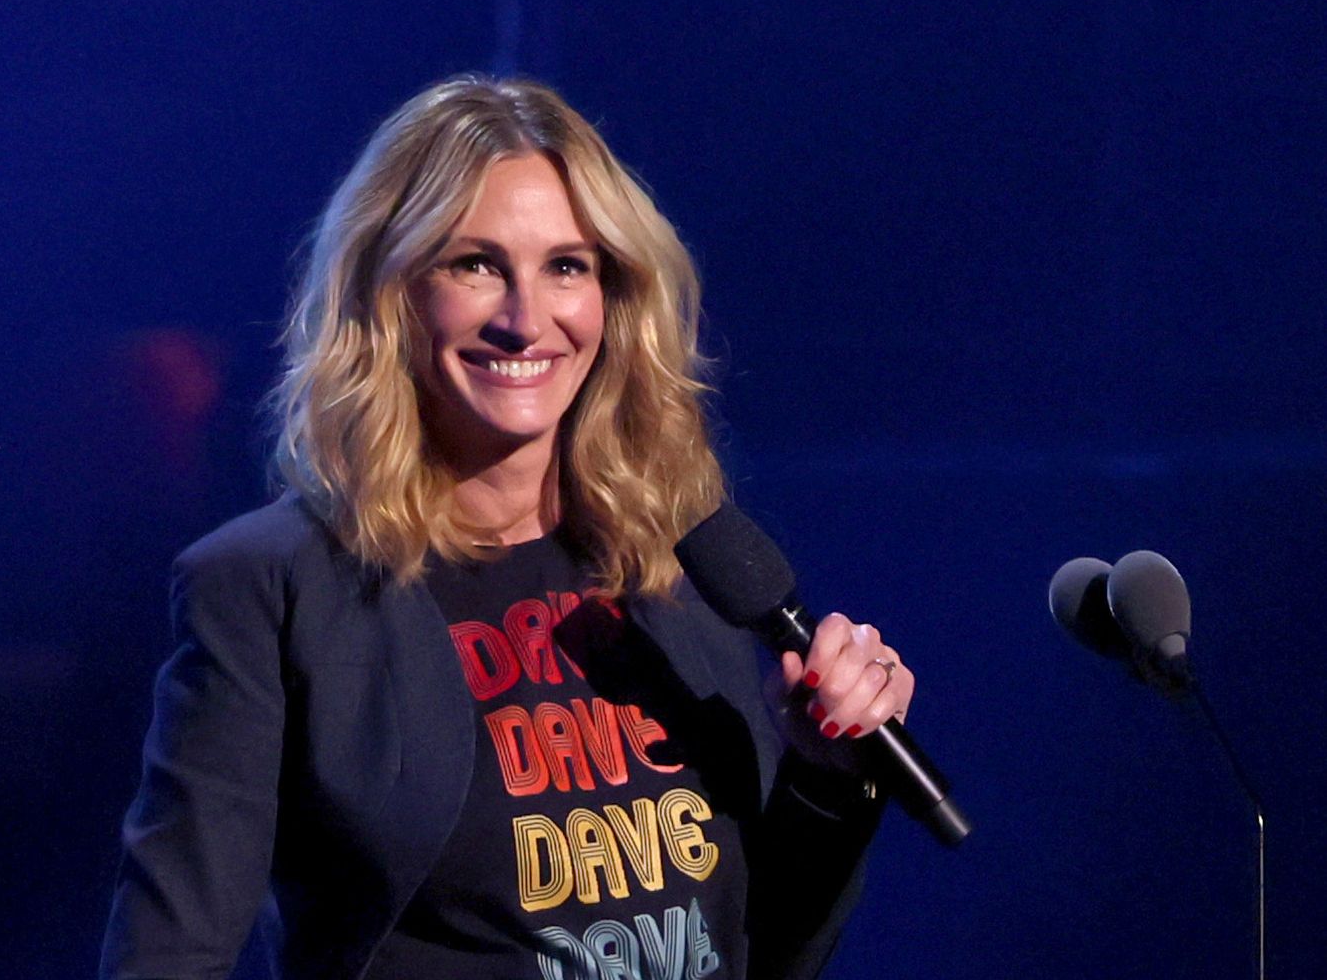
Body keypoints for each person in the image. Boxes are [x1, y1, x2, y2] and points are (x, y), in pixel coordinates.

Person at [100, 74, 915, 980]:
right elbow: (167, 957)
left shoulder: (682, 563)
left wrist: (829, 775)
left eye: (566, 266)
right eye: (474, 263)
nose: (526, 319)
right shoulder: (270, 585)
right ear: (392, 289)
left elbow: (765, 954)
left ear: (614, 298)